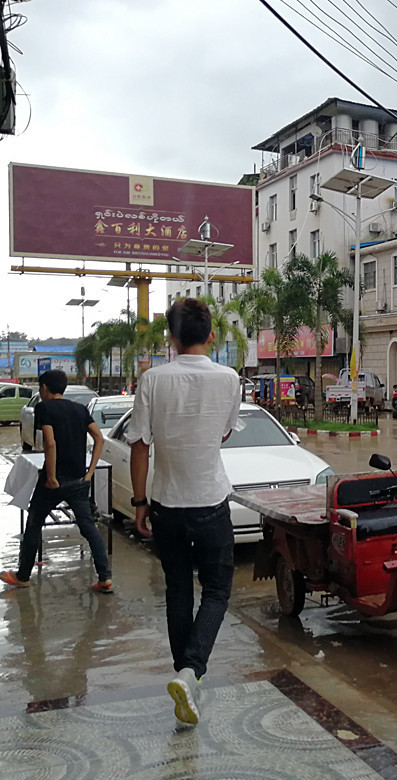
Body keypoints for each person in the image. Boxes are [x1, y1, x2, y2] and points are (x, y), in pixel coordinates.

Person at [126, 298, 242, 726]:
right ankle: (190, 673)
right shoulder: (230, 380)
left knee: (178, 590)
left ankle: (185, 676)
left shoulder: (152, 380)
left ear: (170, 338)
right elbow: (224, 433)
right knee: (216, 591)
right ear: (210, 335)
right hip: (211, 500)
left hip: (166, 503)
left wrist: (139, 503)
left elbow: (140, 446)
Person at [1, 370, 111, 592]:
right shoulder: (80, 409)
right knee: (89, 528)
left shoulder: (44, 408)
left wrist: (50, 477)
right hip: (79, 480)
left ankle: (23, 576)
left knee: (33, 525)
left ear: (43, 388)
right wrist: (89, 473)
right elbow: (99, 438)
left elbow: (50, 444)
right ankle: (105, 578)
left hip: (54, 481)